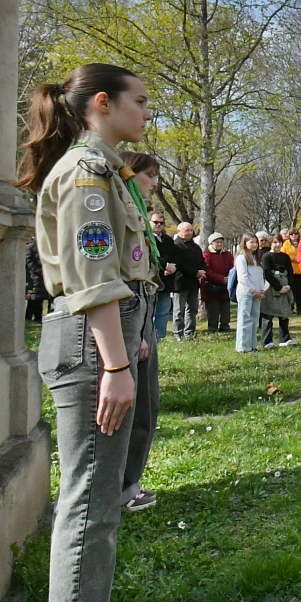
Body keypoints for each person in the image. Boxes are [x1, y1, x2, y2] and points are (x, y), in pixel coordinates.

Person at [17, 63, 164, 602]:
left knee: (104, 497)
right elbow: (94, 276)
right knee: (89, 502)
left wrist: (133, 345)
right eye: (141, 100)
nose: (148, 112)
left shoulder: (104, 171)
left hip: (107, 334)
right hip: (90, 342)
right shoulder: (85, 175)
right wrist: (115, 363)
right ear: (102, 104)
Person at [118, 152, 166, 515]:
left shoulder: (134, 210)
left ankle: (130, 481)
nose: (154, 184)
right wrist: (135, 335)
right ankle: (121, 487)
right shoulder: (117, 208)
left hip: (143, 308)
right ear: (131, 175)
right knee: (134, 409)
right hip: (130, 315)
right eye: (149, 177)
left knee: (148, 403)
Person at [147, 207, 179, 344]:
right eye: (155, 222)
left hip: (166, 280)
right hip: (151, 280)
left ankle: (160, 336)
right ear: (149, 222)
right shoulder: (146, 238)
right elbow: (151, 256)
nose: (159, 225)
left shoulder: (168, 240)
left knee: (164, 310)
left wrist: (172, 267)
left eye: (161, 223)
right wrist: (165, 265)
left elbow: (175, 256)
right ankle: (150, 337)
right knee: (150, 312)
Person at [259, 231, 296, 347]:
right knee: (267, 314)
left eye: (279, 242)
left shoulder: (285, 257)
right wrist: (278, 287)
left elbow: (290, 271)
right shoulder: (266, 256)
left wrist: (289, 285)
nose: (277, 245)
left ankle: (284, 338)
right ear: (270, 243)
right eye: (274, 242)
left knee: (284, 313)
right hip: (271, 286)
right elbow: (266, 273)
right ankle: (267, 341)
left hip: (285, 285)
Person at [232, 234, 267, 353]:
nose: (254, 245)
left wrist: (261, 290)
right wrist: (253, 291)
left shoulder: (257, 258)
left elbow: (259, 276)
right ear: (245, 243)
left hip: (257, 292)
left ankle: (252, 345)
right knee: (245, 318)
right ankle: (243, 346)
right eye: (251, 242)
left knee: (254, 319)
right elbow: (243, 278)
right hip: (246, 292)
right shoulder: (242, 258)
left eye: (256, 242)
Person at [170, 222, 204, 340]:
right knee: (179, 310)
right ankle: (177, 333)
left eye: (191, 230)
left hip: (193, 283)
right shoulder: (176, 246)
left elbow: (202, 260)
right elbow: (180, 265)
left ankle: (189, 332)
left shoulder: (195, 246)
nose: (189, 232)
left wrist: (202, 271)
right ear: (179, 231)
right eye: (186, 230)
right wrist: (195, 272)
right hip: (180, 282)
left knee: (192, 309)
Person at [200, 232, 233, 333]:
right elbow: (208, 270)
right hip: (211, 286)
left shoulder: (227, 254)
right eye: (217, 242)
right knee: (213, 310)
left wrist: (229, 278)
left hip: (225, 286)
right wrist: (221, 278)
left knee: (225, 309)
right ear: (211, 243)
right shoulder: (206, 255)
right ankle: (212, 329)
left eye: (221, 242)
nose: (219, 244)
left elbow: (232, 267)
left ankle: (224, 327)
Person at [25, 237, 50, 324]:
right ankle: (32, 318)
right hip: (35, 277)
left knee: (43, 297)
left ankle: (41, 318)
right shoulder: (31, 246)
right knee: (35, 299)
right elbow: (29, 261)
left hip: (45, 275)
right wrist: (39, 271)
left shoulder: (46, 244)